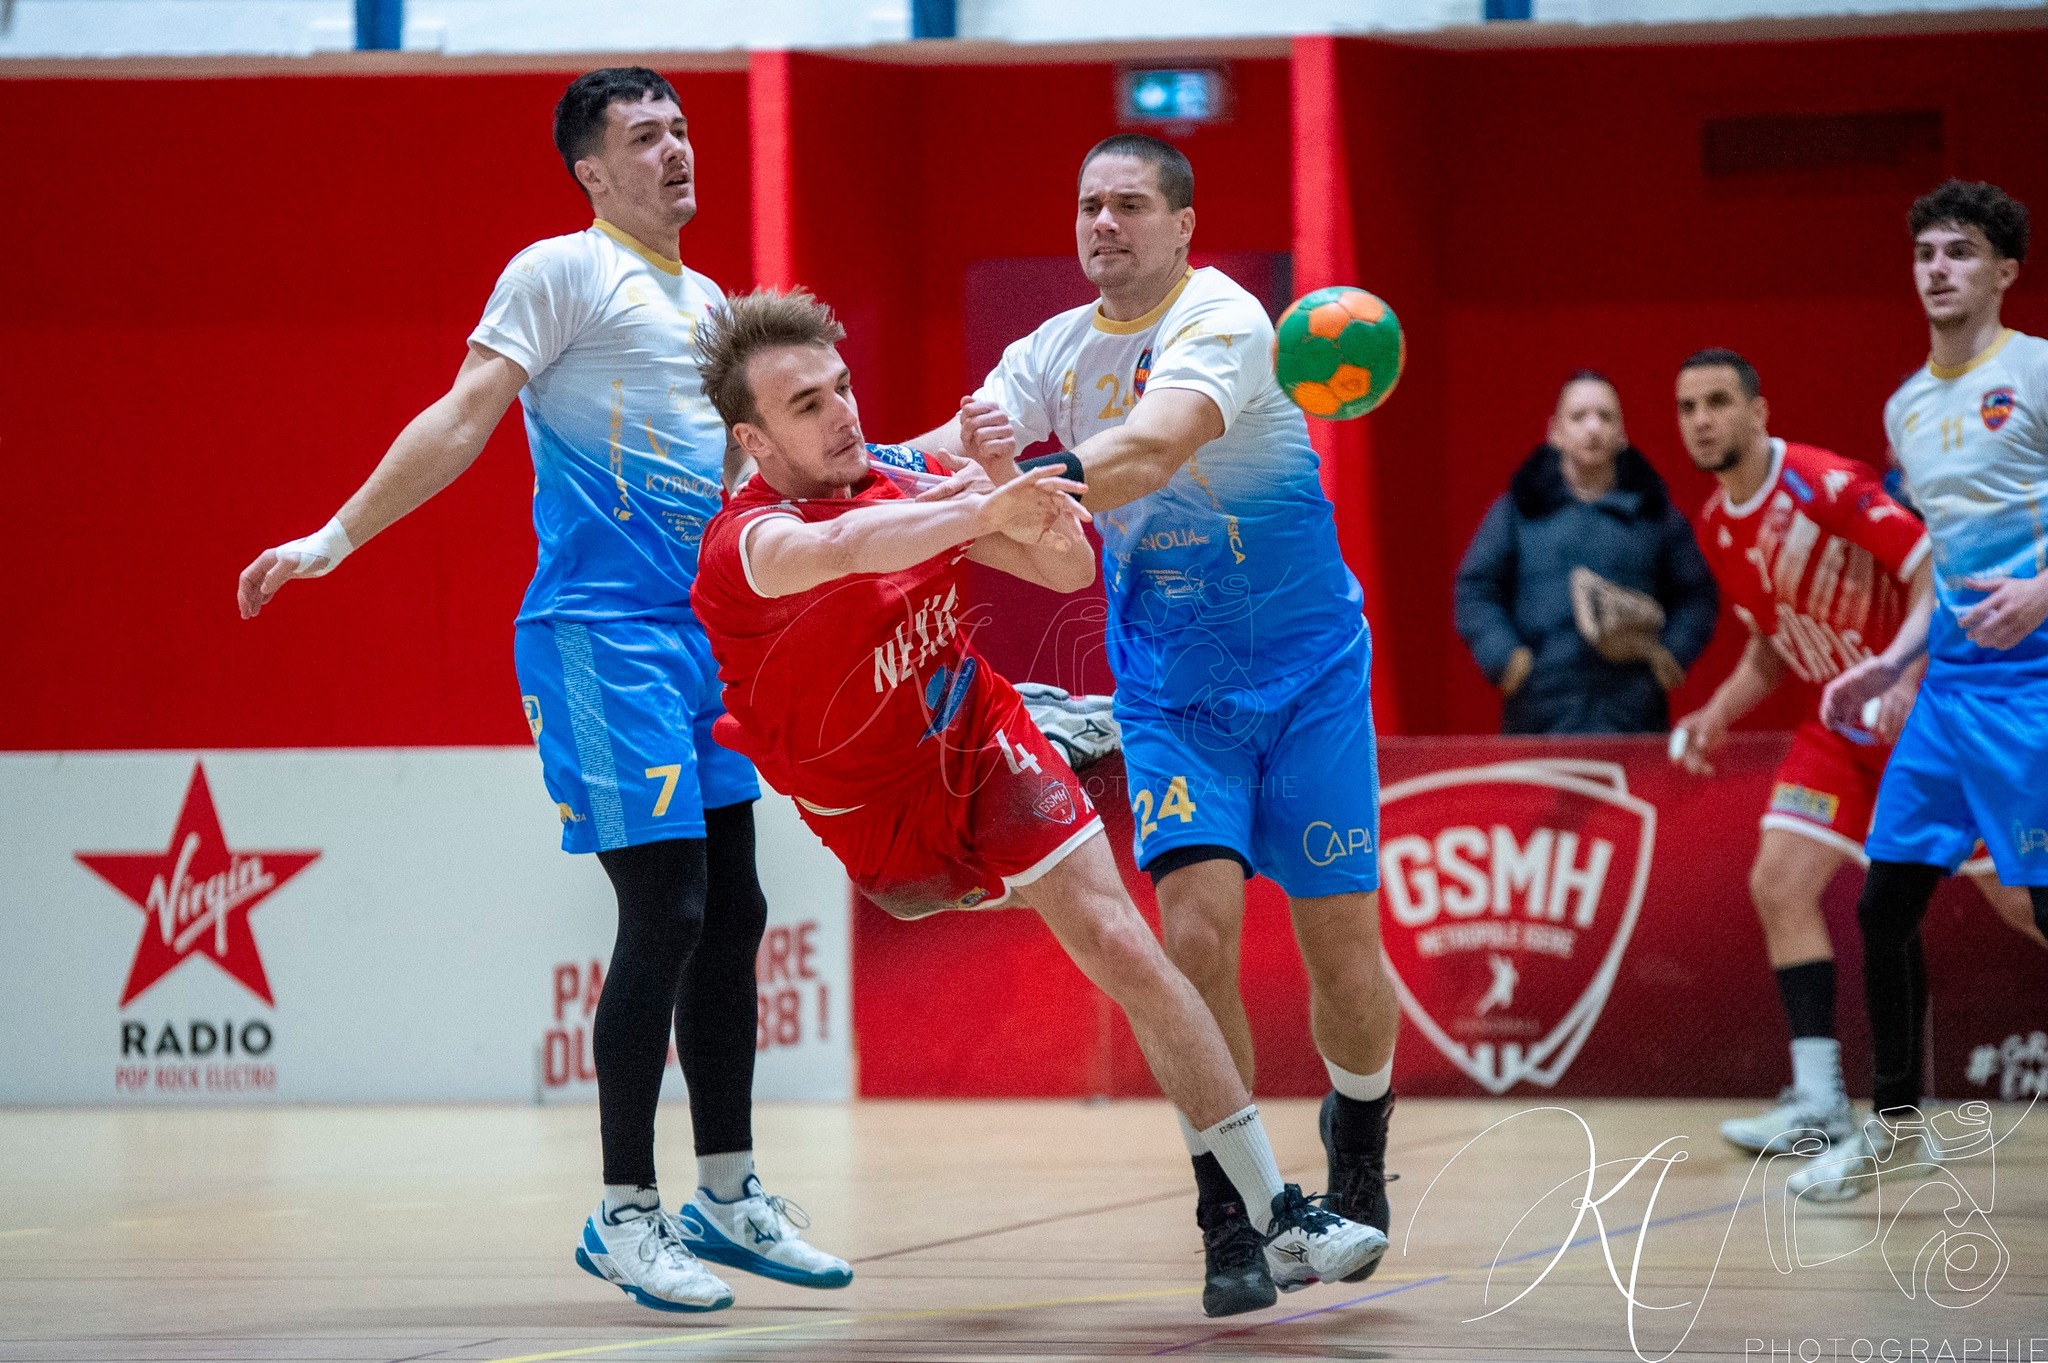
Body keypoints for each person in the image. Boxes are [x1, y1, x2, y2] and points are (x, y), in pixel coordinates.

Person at [234, 68, 848, 1311]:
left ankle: (725, 1194)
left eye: (681, 130)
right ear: (591, 170)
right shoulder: (560, 270)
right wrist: (336, 536)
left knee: (736, 913)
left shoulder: (712, 300)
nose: (675, 152)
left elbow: (754, 476)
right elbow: (464, 415)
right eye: (644, 137)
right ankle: (625, 1210)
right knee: (665, 912)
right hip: (597, 634)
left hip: (705, 637)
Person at [687, 287, 1390, 1314]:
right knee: (968, 902)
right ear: (751, 438)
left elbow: (1064, 567)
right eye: (806, 406)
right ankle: (1065, 719)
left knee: (1125, 943)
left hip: (977, 733)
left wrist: (1007, 483)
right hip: (885, 824)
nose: (842, 413)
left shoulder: (896, 474)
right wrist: (973, 503)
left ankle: (1271, 1214)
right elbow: (847, 552)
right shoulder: (747, 544)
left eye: (842, 388)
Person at [907, 134, 1398, 1318]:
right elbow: (947, 448)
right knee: (1194, 934)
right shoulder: (1047, 352)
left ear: (1182, 226)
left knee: (1339, 946)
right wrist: (832, 483)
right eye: (1087, 206)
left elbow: (1152, 445)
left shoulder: (1222, 316)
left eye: (1128, 205)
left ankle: (1360, 1139)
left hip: (1309, 676)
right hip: (1173, 696)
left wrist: (1020, 483)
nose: (1103, 224)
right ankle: (1230, 1212)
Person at [1804, 179, 2048, 1201]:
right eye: (1923, 253)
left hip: (2034, 685)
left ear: (2002, 270)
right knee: (1880, 902)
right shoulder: (1905, 407)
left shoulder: (2035, 372)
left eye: (1958, 251)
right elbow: (1941, 565)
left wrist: (2040, 591)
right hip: (1947, 692)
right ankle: (1896, 1123)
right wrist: (1894, 659)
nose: (1936, 269)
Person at [1667, 347, 1935, 1158]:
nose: (1703, 420)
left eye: (1718, 401)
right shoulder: (1716, 524)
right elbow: (1772, 648)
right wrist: (1713, 714)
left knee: (2021, 903)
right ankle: (1819, 1102)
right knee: (1779, 881)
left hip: (1928, 722)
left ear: (1759, 411)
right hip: (1840, 732)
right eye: (1687, 407)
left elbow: (1936, 574)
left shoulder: (1824, 484)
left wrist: (1904, 675)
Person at [1456, 373, 1719, 734]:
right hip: (1538, 712)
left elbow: (1698, 594)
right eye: (1578, 417)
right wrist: (1505, 657)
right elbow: (1475, 589)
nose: (1593, 428)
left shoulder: (1654, 513)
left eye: (1605, 416)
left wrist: (1672, 654)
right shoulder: (1519, 510)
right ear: (1555, 432)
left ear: (1622, 434)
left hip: (1633, 714)